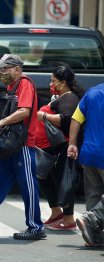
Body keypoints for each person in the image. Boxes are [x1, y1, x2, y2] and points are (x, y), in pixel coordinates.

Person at [0, 54, 45, 240]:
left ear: (16, 68)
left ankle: (35, 227)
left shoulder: (24, 83)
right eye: (0, 68)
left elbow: (24, 111)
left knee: (27, 184)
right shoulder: (11, 86)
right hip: (5, 143)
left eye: (5, 68)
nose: (1, 72)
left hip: (22, 143)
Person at [35, 66, 84, 231]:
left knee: (65, 182)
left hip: (64, 148)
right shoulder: (61, 97)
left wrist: (44, 116)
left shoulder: (69, 99)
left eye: (53, 81)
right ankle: (56, 212)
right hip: (55, 148)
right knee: (42, 175)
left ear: (63, 83)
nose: (51, 84)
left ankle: (69, 219)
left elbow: (68, 120)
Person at [67, 81, 104, 247]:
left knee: (93, 194)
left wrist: (72, 143)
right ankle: (91, 219)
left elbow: (76, 118)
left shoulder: (92, 92)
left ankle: (94, 236)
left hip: (89, 152)